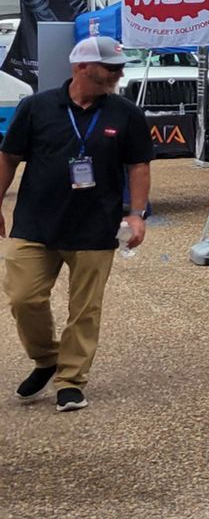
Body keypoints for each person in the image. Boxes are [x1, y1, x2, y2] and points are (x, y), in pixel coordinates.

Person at [0, 36, 154, 412]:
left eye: (120, 67)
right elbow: (8, 157)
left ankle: (71, 380)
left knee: (85, 309)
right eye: (111, 67)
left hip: (95, 225)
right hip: (36, 223)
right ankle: (47, 358)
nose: (119, 74)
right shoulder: (36, 107)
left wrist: (136, 212)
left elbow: (139, 164)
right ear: (81, 67)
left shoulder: (125, 113)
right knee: (24, 298)